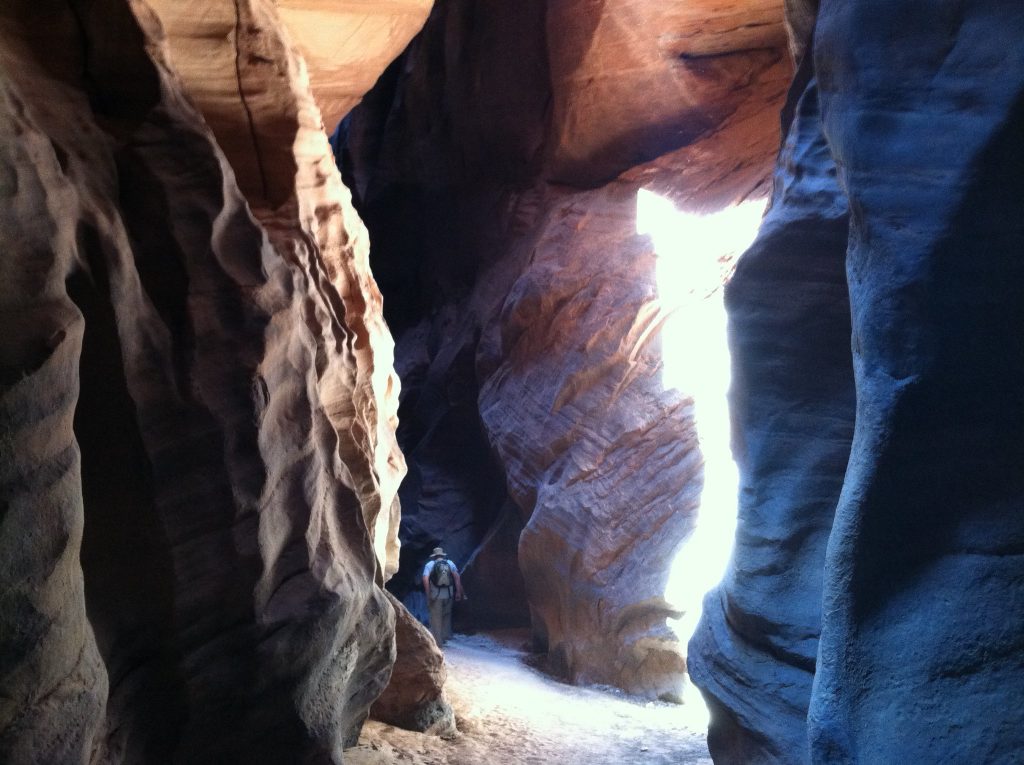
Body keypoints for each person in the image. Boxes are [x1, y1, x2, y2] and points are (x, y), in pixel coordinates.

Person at [421, 547, 464, 646]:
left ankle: (438, 642)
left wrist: (428, 593)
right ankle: (445, 637)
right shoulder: (450, 563)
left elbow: (425, 579)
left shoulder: (430, 564)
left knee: (436, 618)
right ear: (442, 555)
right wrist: (458, 592)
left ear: (434, 556)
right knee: (446, 616)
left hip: (436, 595)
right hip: (448, 594)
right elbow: (457, 577)